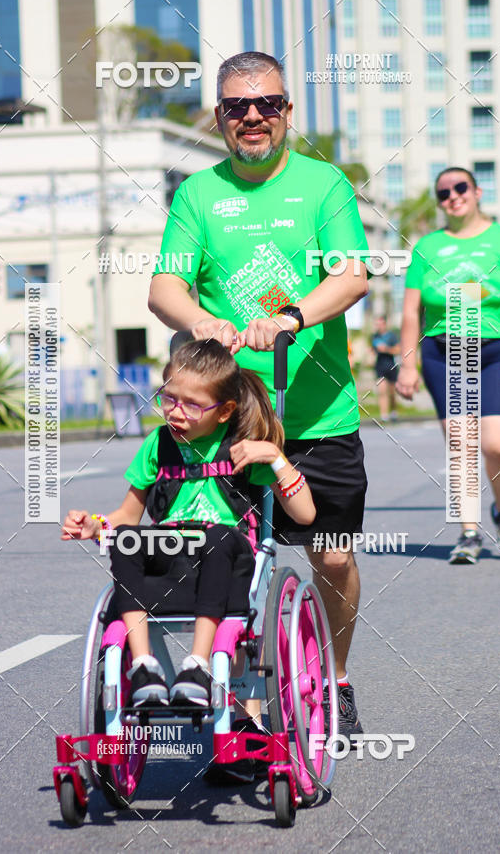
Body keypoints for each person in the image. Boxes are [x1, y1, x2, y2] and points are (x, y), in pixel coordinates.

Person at [148, 51, 370, 750]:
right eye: (237, 106)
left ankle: (335, 680)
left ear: (286, 112)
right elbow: (164, 286)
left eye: (267, 104)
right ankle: (242, 712)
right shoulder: (197, 195)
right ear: (219, 116)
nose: (252, 116)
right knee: (230, 562)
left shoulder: (323, 184)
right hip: (230, 418)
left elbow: (352, 275)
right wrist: (199, 321)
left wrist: (293, 316)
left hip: (318, 415)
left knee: (331, 557)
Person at [61, 340, 315, 712]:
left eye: (192, 405)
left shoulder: (242, 446)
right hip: (171, 553)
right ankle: (144, 666)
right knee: (127, 540)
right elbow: (127, 516)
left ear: (225, 411)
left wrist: (275, 457)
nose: (176, 413)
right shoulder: (157, 444)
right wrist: (96, 527)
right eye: (169, 399)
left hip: (229, 556)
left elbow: (305, 514)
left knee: (215, 538)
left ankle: (198, 664)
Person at [396, 166, 500, 564]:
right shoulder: (427, 247)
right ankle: (469, 532)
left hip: (495, 350)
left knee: (498, 446)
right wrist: (407, 365)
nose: (453, 196)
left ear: (477, 192)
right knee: (461, 444)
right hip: (444, 352)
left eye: (460, 188)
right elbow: (411, 311)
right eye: (444, 193)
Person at [371, 315, 400, 421]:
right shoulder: (374, 336)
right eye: (377, 324)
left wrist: (386, 349)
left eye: (381, 324)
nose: (379, 326)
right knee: (382, 391)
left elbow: (398, 350)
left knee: (392, 393)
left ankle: (393, 412)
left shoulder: (392, 336)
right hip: (380, 367)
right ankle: (384, 416)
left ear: (385, 324)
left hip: (391, 366)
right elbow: (373, 349)